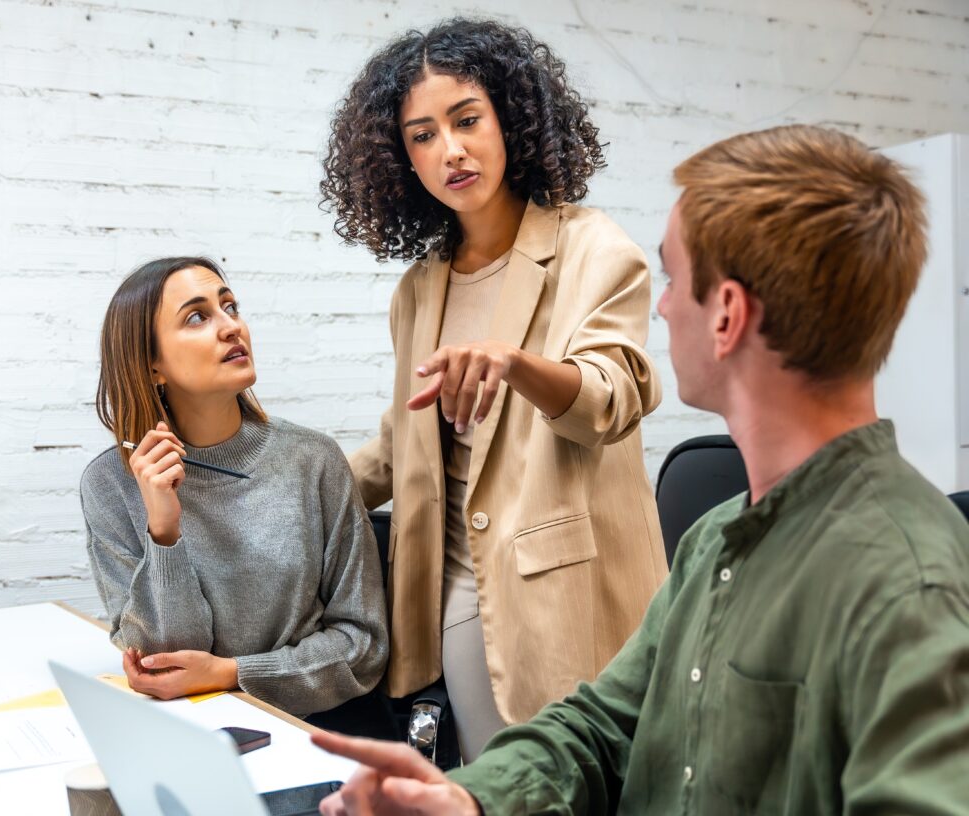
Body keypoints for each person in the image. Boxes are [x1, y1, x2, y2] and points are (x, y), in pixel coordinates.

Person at [313, 124, 969, 814]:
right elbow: (601, 729)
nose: (660, 304)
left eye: (674, 279)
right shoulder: (717, 541)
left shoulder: (908, 587)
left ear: (727, 317)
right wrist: (468, 801)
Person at [320, 17, 666, 760]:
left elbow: (611, 399)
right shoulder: (421, 288)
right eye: (421, 135)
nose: (449, 149)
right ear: (401, 159)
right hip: (449, 583)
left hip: (556, 583)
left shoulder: (592, 249)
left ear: (509, 117)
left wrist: (514, 363)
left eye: (467, 119)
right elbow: (402, 443)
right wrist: (285, 490)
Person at [80, 257, 389, 726]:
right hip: (184, 734)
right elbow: (164, 663)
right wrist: (163, 529)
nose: (230, 327)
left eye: (230, 307)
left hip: (308, 734)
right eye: (197, 316)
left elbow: (362, 645)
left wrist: (232, 673)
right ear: (152, 365)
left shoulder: (313, 460)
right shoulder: (110, 484)